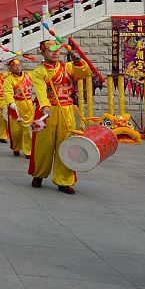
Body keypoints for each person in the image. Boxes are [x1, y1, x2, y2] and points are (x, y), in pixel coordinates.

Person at [28, 39, 92, 194]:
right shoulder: (39, 72)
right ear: (43, 52)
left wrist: (77, 59)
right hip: (47, 111)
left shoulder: (68, 67)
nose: (55, 52)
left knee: (66, 145)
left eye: (57, 49)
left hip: (66, 110)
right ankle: (39, 174)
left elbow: (85, 72)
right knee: (44, 146)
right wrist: (45, 107)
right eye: (50, 50)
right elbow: (41, 92)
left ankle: (63, 180)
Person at [3, 58, 34, 158]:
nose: (17, 67)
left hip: (28, 104)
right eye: (15, 66)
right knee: (16, 130)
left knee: (28, 128)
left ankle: (28, 151)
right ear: (11, 68)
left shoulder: (29, 75)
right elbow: (7, 93)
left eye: (19, 65)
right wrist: (11, 102)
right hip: (16, 105)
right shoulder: (9, 80)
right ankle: (16, 147)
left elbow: (40, 77)